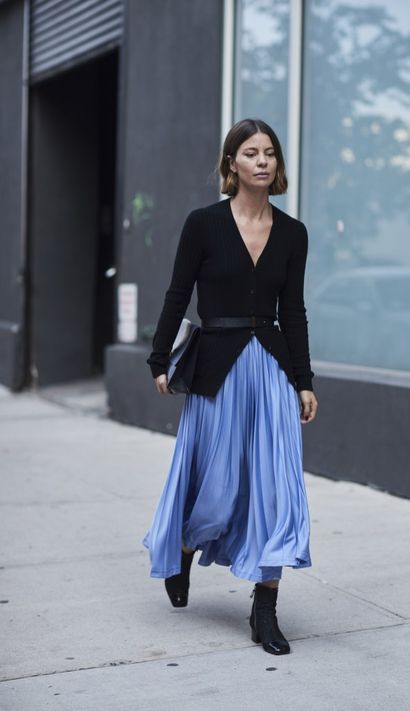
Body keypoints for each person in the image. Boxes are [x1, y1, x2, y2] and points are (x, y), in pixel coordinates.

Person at [143, 118, 318, 656]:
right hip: (217, 369)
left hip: (270, 370)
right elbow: (178, 294)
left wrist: (304, 381)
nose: (262, 160)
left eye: (269, 152)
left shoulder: (293, 233)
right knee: (214, 487)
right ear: (231, 164)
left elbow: (293, 310)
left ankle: (264, 609)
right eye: (251, 152)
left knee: (274, 487)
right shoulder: (203, 224)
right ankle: (187, 543)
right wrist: (159, 358)